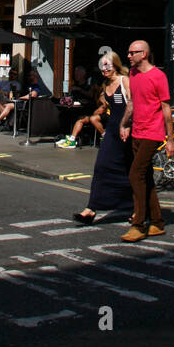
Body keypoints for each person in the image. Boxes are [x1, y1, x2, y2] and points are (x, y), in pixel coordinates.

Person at [118, 39, 174, 241]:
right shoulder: (132, 74)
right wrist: (124, 124)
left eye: (133, 52)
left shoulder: (159, 76)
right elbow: (132, 102)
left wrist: (170, 139)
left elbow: (166, 109)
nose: (129, 55)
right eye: (128, 51)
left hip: (153, 132)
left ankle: (138, 224)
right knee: (146, 178)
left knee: (135, 175)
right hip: (137, 131)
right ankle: (157, 222)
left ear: (144, 54)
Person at [72, 53, 134, 221]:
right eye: (102, 66)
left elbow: (132, 103)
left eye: (107, 65)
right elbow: (104, 105)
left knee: (130, 168)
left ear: (115, 65)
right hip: (112, 129)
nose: (104, 69)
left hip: (127, 129)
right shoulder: (105, 84)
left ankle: (135, 208)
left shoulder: (124, 81)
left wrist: (127, 125)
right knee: (101, 166)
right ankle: (91, 208)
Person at [56, 66, 105, 148]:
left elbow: (90, 96)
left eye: (78, 73)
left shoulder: (89, 86)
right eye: (75, 73)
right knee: (63, 114)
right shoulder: (74, 85)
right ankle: (66, 136)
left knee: (79, 118)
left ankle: (73, 139)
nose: (76, 75)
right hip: (77, 108)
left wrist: (79, 90)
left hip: (88, 110)